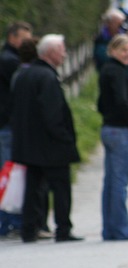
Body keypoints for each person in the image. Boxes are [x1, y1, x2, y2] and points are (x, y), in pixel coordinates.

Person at [11, 34, 83, 243]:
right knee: (60, 188)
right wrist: (65, 138)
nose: (65, 54)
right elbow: (53, 114)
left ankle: (29, 229)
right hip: (50, 145)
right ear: (51, 53)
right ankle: (63, 228)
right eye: (61, 50)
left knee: (33, 188)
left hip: (29, 144)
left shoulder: (24, 74)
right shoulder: (48, 77)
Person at [98, 34, 128, 241]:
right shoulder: (119, 71)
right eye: (123, 50)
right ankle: (122, 230)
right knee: (120, 181)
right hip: (121, 130)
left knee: (111, 181)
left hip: (108, 128)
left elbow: (100, 104)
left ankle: (109, 229)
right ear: (112, 50)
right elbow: (122, 100)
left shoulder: (105, 69)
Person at [0, 21, 32, 237]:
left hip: (7, 123)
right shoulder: (11, 62)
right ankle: (10, 221)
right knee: (9, 174)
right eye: (24, 39)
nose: (27, 44)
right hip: (8, 125)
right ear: (13, 37)